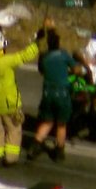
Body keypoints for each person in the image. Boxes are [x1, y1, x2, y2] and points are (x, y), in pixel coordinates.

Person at [0, 26, 43, 167]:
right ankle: (10, 158)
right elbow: (25, 55)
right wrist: (37, 44)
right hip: (10, 104)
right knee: (14, 129)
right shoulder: (6, 61)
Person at [28, 30, 79, 162]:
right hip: (62, 94)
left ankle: (34, 146)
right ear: (58, 43)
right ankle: (59, 152)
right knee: (61, 124)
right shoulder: (64, 55)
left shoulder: (44, 56)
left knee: (47, 122)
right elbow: (76, 70)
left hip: (47, 93)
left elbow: (41, 70)